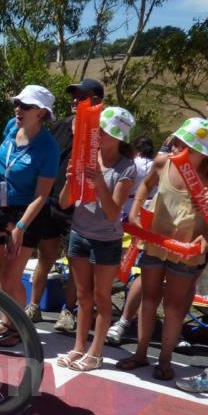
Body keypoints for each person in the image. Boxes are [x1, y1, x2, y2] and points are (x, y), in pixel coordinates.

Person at [117, 118, 208, 381]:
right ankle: (140, 353)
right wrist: (137, 210)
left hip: (186, 250)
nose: (177, 146)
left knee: (174, 307)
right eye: (178, 141)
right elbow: (146, 186)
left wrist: (204, 244)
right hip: (155, 242)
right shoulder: (164, 162)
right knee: (149, 300)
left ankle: (165, 359)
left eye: (186, 144)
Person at [56, 107, 137, 371]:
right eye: (97, 131)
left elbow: (114, 213)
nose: (98, 136)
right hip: (79, 233)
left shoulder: (127, 168)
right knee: (83, 296)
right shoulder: (84, 157)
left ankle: (96, 351)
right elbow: (65, 202)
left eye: (104, 131)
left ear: (119, 137)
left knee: (102, 297)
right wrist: (69, 181)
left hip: (106, 240)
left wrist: (100, 182)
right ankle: (79, 347)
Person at [0, 85, 59, 341]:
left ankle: (19, 328)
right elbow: (1, 150)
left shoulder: (48, 147)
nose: (18, 109)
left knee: (13, 275)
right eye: (18, 103)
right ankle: (6, 322)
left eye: (25, 106)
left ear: (40, 112)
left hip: (26, 213)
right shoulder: (11, 126)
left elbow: (41, 196)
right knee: (2, 270)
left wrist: (21, 227)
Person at [28, 79, 105, 328]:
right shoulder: (58, 127)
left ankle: (68, 311)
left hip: (83, 205)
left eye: (82, 96)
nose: (75, 100)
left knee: (76, 261)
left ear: (97, 101)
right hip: (52, 201)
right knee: (45, 255)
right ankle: (33, 306)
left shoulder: (102, 133)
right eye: (74, 96)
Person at [107, 135, 157, 345]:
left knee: (121, 266)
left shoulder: (132, 164)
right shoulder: (156, 164)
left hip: (127, 212)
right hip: (143, 213)